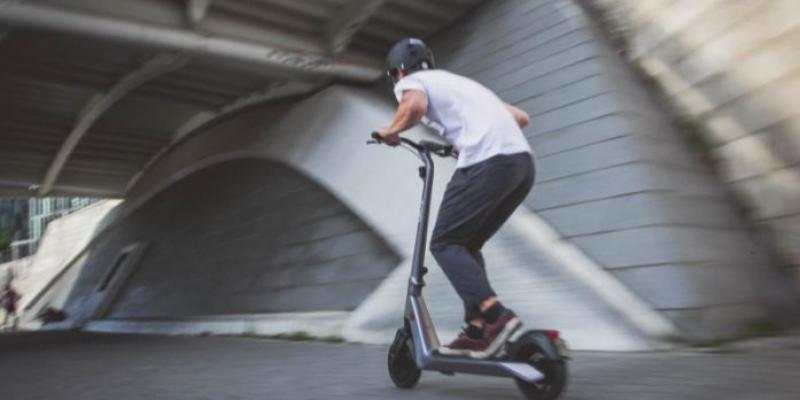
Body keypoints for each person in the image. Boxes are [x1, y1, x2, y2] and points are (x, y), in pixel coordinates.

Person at [376, 38, 535, 356]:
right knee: (466, 245)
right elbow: (520, 117)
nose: (399, 84)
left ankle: (495, 315)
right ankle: (477, 330)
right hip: (521, 166)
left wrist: (391, 130)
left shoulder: (412, 82)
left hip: (488, 163)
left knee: (444, 243)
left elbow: (415, 106)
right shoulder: (460, 84)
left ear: (399, 71)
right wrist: (460, 141)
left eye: (396, 77)